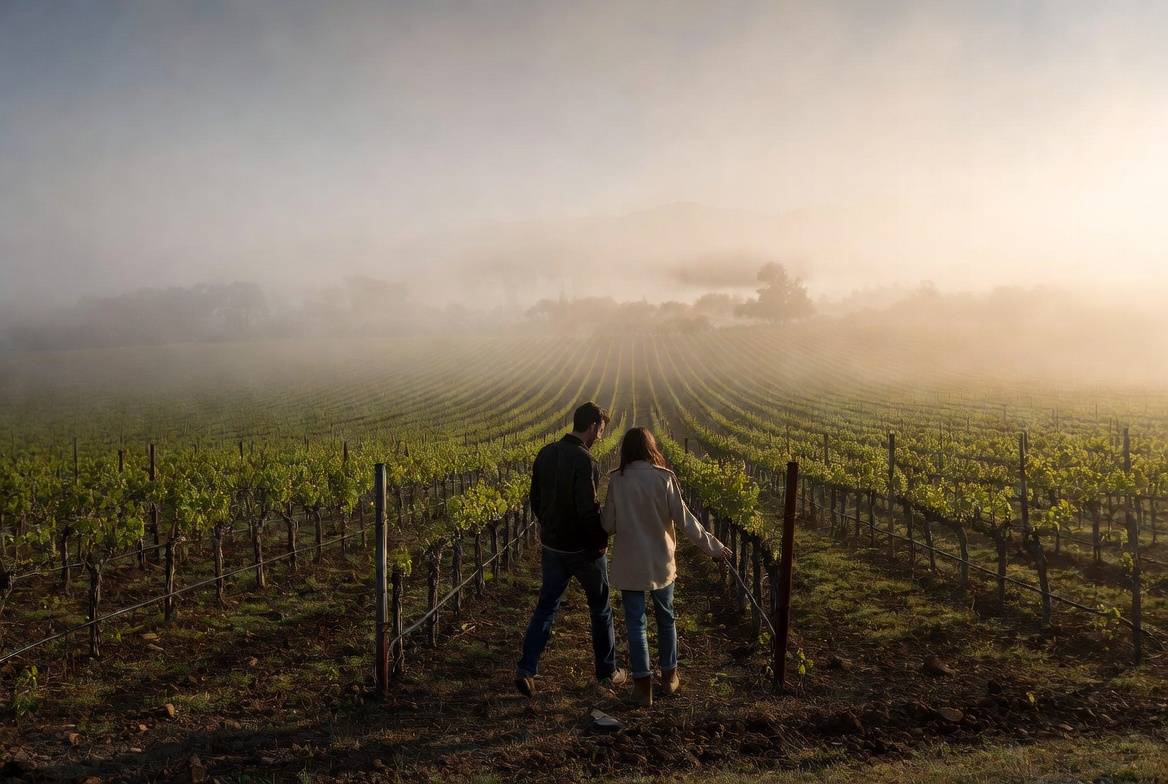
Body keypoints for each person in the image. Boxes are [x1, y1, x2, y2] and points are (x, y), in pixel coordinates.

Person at [601, 427, 730, 707]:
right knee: (666, 619)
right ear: (651, 448)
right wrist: (715, 547)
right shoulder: (664, 478)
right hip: (661, 562)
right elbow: (686, 522)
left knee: (636, 624)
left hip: (630, 564)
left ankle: (642, 686)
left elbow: (608, 525)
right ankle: (670, 678)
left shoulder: (617, 482)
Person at [515, 402, 628, 697]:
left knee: (546, 606)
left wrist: (549, 528)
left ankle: (527, 669)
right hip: (582, 550)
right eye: (601, 430)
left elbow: (535, 499)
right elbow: (587, 510)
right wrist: (600, 541)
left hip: (553, 547)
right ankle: (607, 672)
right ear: (592, 426)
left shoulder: (546, 453)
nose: (600, 437)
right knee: (600, 608)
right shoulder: (584, 461)